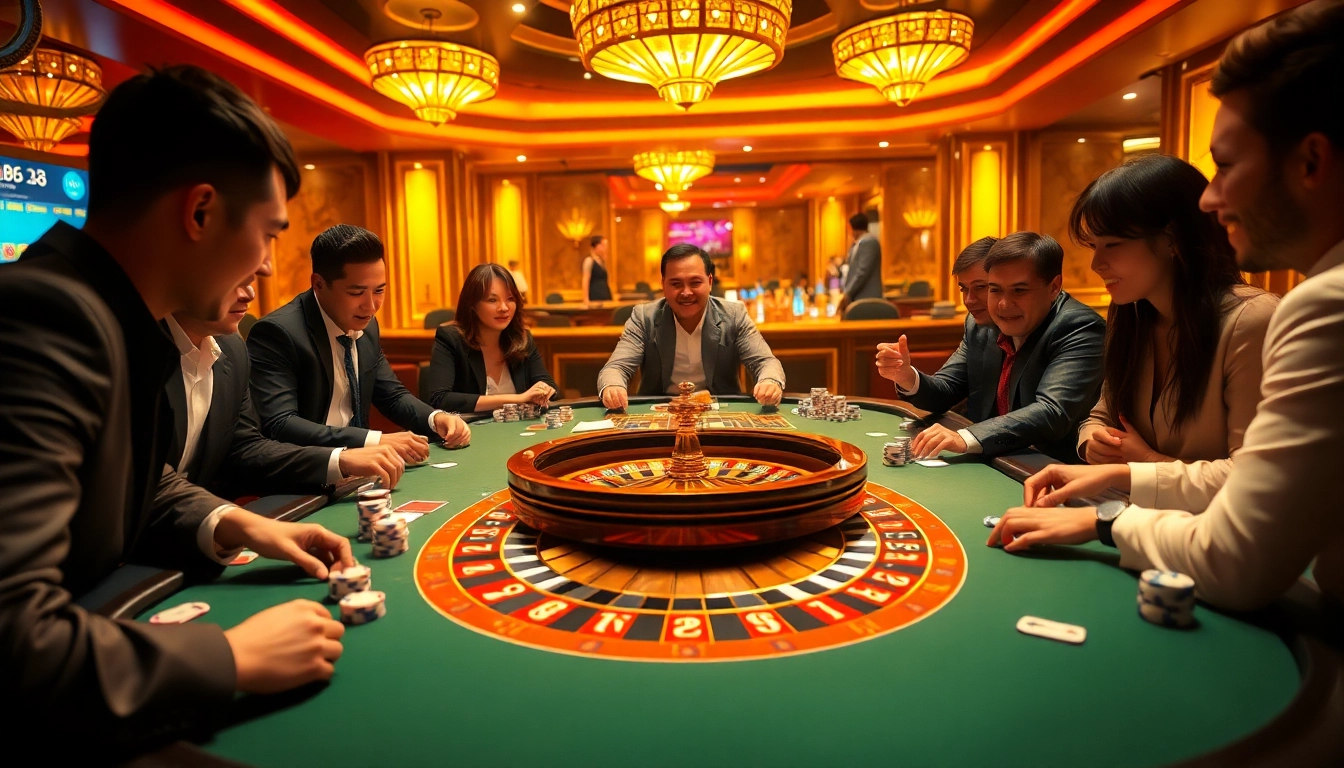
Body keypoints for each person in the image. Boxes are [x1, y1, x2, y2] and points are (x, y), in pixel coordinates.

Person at [0, 65, 354, 750]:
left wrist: (239, 523)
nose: (267, 266)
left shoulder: (109, 316)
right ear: (199, 213)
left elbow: (127, 475)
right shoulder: (47, 316)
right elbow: (16, 641)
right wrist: (231, 656)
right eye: (268, 233)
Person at [991, 0, 1344, 611]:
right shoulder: (1130, 317)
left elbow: (1241, 547)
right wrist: (1109, 465)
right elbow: (1101, 418)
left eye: (1226, 166)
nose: (1211, 198)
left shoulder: (1288, 311)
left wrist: (1114, 502)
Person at [1067, 154, 1277, 506]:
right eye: (1093, 246)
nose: (1096, 264)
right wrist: (1094, 441)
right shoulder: (1132, 315)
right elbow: (1101, 415)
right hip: (1143, 516)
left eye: (1112, 244)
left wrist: (1145, 463)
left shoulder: (1252, 320)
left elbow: (1257, 479)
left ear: (1171, 240)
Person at [876, 233, 1106, 463]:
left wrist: (967, 437)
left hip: (1053, 467)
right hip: (995, 460)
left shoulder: (1080, 326)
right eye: (995, 290)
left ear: (1054, 287)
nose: (1003, 304)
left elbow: (1052, 412)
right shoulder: (981, 326)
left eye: (1019, 290)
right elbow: (946, 389)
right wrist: (906, 376)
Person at [248, 224, 471, 460]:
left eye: (379, 291)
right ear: (319, 285)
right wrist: (373, 440)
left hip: (365, 467)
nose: (371, 306)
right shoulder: (278, 333)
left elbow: (393, 396)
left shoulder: (368, 325)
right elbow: (281, 424)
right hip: (308, 471)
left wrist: (436, 418)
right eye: (356, 293)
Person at [166, 280, 407, 496]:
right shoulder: (142, 352)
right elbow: (279, 424)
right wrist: (223, 519)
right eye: (234, 280)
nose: (249, 294)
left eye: (248, 281)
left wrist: (339, 460)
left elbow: (245, 448)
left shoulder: (232, 348)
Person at [598, 243, 785, 408]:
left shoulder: (734, 315)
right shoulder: (643, 317)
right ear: (663, 285)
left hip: (719, 411)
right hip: (659, 412)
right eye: (676, 284)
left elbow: (766, 362)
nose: (686, 292)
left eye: (695, 283)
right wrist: (613, 387)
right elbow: (615, 368)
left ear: (709, 282)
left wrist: (769, 382)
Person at [422, 263, 558, 413]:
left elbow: (550, 387)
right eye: (492, 300)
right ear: (472, 304)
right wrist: (519, 398)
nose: (504, 308)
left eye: (510, 299)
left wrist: (544, 390)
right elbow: (441, 399)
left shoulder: (522, 339)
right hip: (468, 427)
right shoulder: (451, 339)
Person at [839, 212, 882, 312]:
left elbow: (862, 272)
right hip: (857, 299)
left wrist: (847, 293)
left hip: (867, 298)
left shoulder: (869, 242)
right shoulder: (858, 244)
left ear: (854, 229)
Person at [583, 234, 613, 305]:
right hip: (595, 296)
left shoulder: (602, 262)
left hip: (606, 295)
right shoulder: (589, 260)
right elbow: (585, 280)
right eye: (603, 246)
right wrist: (586, 299)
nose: (605, 249)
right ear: (596, 246)